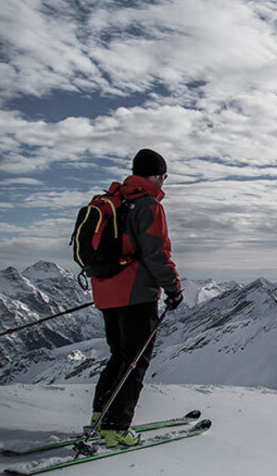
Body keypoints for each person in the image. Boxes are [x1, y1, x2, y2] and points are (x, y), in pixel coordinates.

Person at [88, 148, 184, 448]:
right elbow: (157, 253)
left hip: (105, 291)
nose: (164, 182)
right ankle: (116, 428)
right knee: (134, 361)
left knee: (119, 355)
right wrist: (173, 288)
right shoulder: (148, 205)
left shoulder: (114, 200)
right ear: (157, 175)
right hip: (136, 295)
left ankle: (100, 416)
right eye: (164, 176)